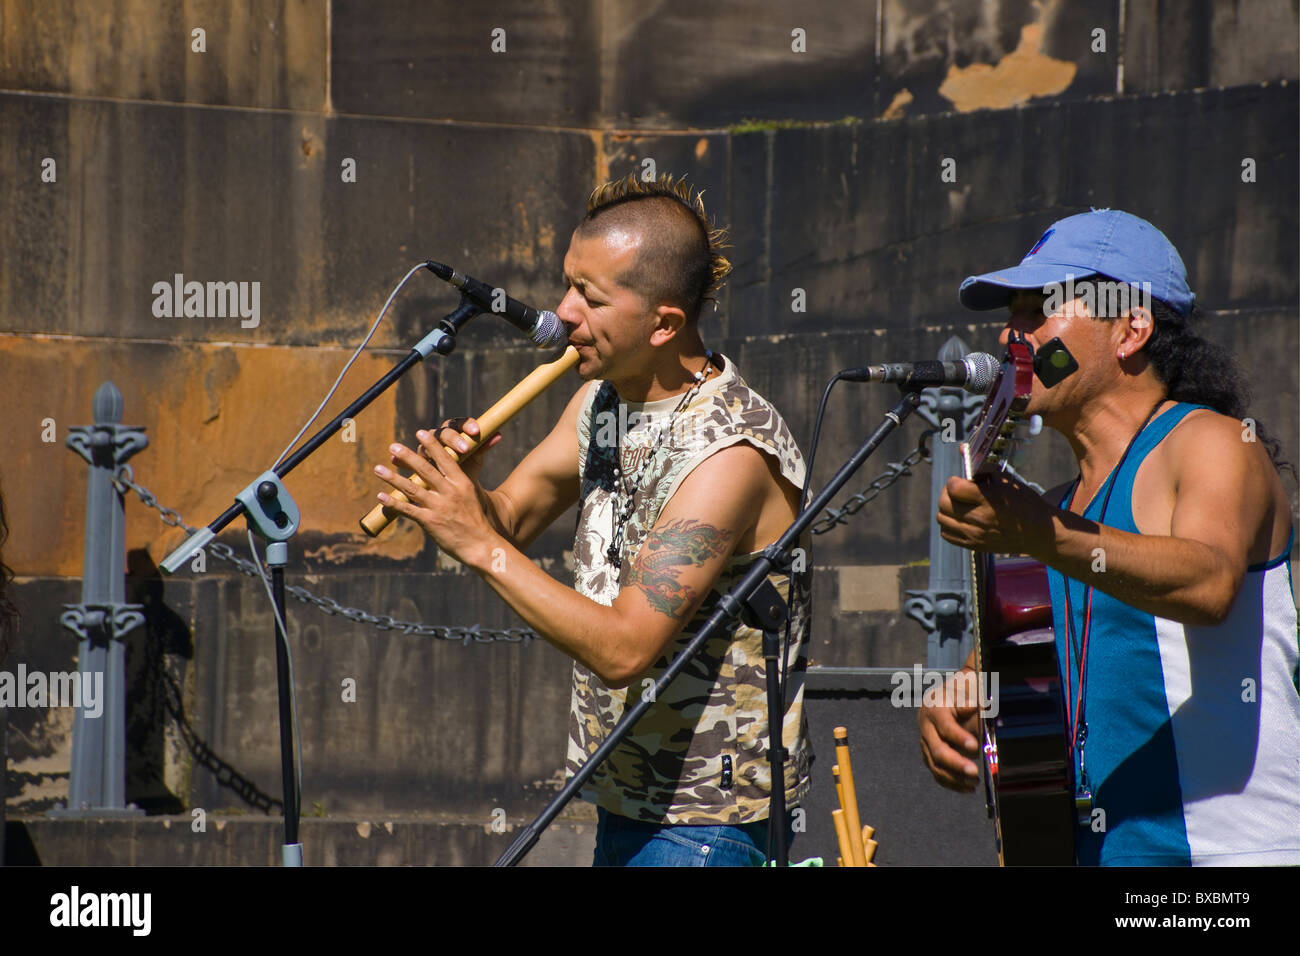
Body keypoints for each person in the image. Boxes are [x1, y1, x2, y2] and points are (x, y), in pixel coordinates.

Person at [374, 173, 814, 866]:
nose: (562, 313)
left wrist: (477, 542)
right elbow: (510, 519)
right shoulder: (600, 403)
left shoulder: (730, 453)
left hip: (707, 821)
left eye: (592, 297)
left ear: (664, 323)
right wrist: (463, 494)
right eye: (568, 285)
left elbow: (624, 650)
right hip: (622, 794)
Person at [919, 208, 1300, 865]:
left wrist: (1042, 533)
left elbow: (1209, 585)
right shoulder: (1057, 512)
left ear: (1131, 327)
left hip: (1231, 856)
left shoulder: (1210, 440)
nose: (1016, 333)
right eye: (1012, 313)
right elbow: (1018, 669)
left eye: (1040, 309)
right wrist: (959, 700)